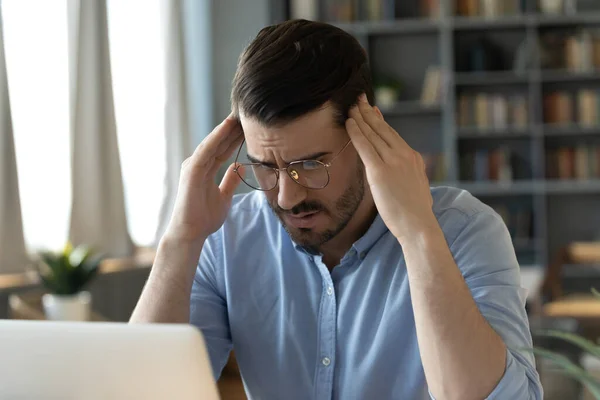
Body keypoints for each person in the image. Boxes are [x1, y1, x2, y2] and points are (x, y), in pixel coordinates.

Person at [131, 19, 543, 400]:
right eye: (266, 167)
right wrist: (181, 240)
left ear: (368, 135)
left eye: (310, 165)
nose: (287, 198)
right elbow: (143, 392)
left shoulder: (463, 230)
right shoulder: (226, 236)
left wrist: (418, 235)